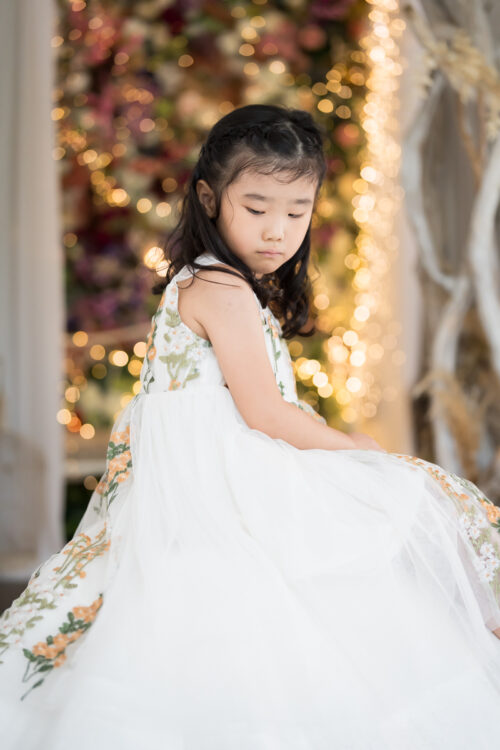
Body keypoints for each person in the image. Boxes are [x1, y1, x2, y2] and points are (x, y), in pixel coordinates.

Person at [1, 103, 500, 749]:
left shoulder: (212, 283)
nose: (277, 231)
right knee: (404, 497)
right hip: (223, 484)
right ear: (210, 199)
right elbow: (263, 412)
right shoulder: (222, 290)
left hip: (212, 478)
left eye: (297, 213)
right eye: (257, 207)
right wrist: (354, 446)